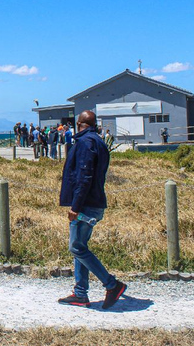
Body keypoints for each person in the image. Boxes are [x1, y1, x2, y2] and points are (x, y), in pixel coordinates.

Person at [58, 110, 126, 309]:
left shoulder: (86, 143)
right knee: (81, 248)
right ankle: (80, 293)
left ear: (79, 124)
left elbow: (84, 176)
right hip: (95, 201)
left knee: (76, 247)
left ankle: (112, 285)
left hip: (86, 204)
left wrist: (75, 206)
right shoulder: (98, 141)